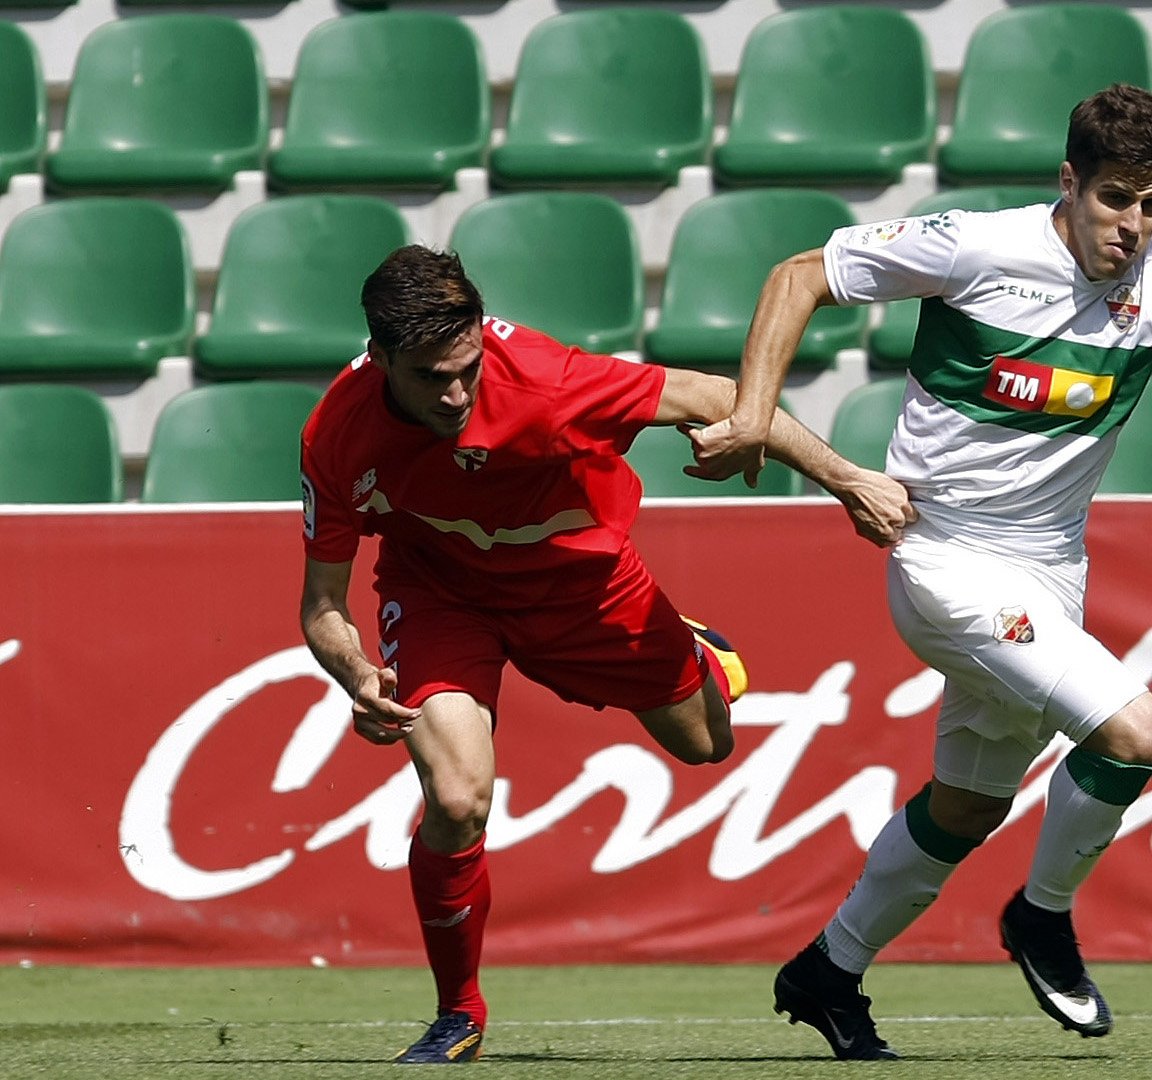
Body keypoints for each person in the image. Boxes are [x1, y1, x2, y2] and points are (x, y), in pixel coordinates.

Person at [688, 84, 1152, 1059]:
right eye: (1114, 200)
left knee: (968, 804)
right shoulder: (977, 247)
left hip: (1052, 570)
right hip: (943, 559)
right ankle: (1043, 914)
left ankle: (827, 971)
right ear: (1070, 182)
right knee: (1135, 730)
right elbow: (800, 272)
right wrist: (756, 413)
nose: (1132, 225)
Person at [299, 246, 913, 1064]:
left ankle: (695, 649)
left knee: (705, 744)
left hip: (583, 582)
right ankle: (460, 1011)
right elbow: (322, 608)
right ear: (378, 358)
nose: (454, 394)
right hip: (445, 594)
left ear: (483, 336)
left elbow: (721, 396)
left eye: (466, 369)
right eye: (428, 377)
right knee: (454, 796)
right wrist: (356, 675)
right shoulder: (337, 434)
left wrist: (846, 478)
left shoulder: (546, 380)